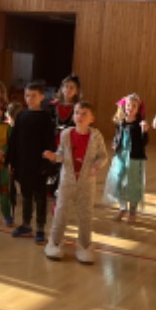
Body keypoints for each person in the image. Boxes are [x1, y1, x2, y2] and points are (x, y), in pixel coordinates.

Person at [43, 101, 107, 264]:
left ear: (92, 118)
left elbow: (103, 156)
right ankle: (55, 242)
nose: (80, 116)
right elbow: (61, 155)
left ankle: (84, 245)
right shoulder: (66, 134)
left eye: (84, 113)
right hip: (67, 181)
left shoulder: (96, 136)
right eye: (77, 113)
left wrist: (96, 165)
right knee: (61, 212)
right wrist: (53, 157)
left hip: (87, 182)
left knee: (86, 215)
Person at [9, 81, 55, 243]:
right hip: (23, 164)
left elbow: (50, 143)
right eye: (27, 95)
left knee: (40, 197)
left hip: (39, 165)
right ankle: (26, 224)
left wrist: (47, 165)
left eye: (33, 96)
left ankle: (40, 228)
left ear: (42, 97)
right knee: (26, 195)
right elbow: (14, 141)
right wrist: (12, 161)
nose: (29, 99)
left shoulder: (46, 118)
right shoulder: (21, 116)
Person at [104, 94, 149, 223]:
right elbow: (117, 136)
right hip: (121, 155)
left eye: (134, 106)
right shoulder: (121, 122)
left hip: (134, 157)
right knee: (118, 180)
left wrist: (144, 131)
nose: (130, 108)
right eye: (128, 105)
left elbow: (144, 142)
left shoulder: (140, 123)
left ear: (138, 108)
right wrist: (115, 143)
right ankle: (122, 208)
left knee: (132, 183)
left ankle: (132, 211)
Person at [47, 74, 81, 197]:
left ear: (76, 91)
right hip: (54, 140)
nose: (68, 89)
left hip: (70, 141)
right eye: (66, 86)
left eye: (72, 87)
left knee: (67, 165)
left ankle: (64, 189)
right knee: (52, 164)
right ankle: (51, 188)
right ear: (61, 88)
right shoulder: (53, 106)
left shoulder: (78, 107)